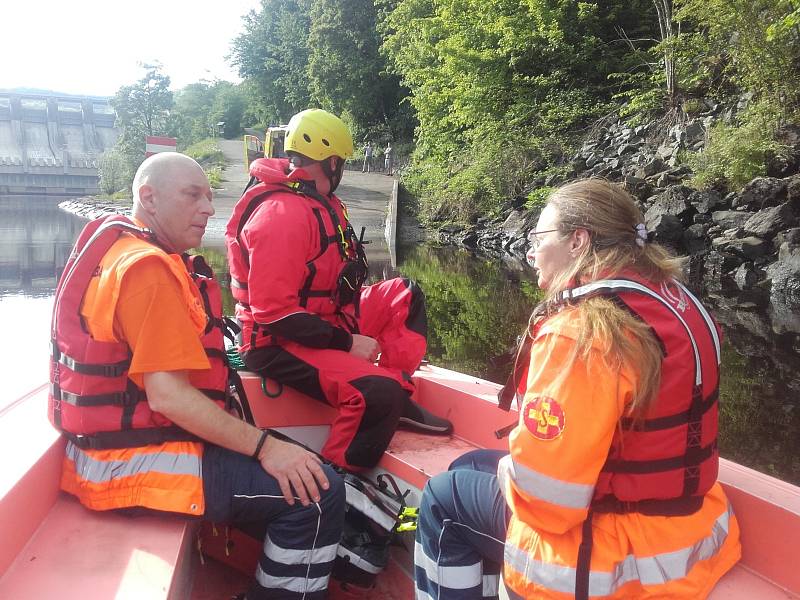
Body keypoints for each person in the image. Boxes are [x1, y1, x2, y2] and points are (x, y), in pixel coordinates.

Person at [413, 179, 741, 599]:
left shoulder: (582, 332)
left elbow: (547, 502)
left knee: (442, 497)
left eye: (538, 236)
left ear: (578, 242)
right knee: (472, 462)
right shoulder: (675, 300)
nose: (531, 250)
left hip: (611, 555)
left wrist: (511, 466)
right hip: (690, 528)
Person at [49, 152, 345, 600]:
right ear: (148, 198)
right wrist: (265, 446)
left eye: (209, 196)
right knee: (319, 494)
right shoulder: (147, 272)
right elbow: (168, 397)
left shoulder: (127, 251)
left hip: (106, 455)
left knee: (303, 466)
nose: (208, 207)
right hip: (130, 467)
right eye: (193, 195)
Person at [226, 108, 452, 473]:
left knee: (404, 295)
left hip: (325, 317)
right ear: (331, 162)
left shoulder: (317, 200)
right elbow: (273, 313)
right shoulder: (281, 216)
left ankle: (398, 391)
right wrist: (347, 344)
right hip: (276, 342)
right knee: (379, 395)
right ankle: (338, 477)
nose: (342, 169)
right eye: (341, 162)